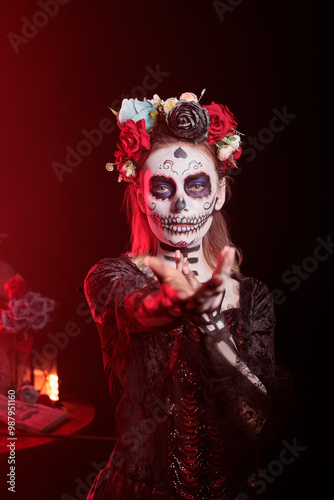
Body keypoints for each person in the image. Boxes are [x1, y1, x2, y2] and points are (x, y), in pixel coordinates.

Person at [83, 92, 293, 499]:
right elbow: (135, 309)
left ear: (219, 195)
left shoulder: (252, 298)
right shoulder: (110, 277)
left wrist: (213, 326)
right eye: (163, 187)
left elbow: (259, 423)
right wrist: (174, 304)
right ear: (141, 197)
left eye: (196, 186)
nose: (180, 203)